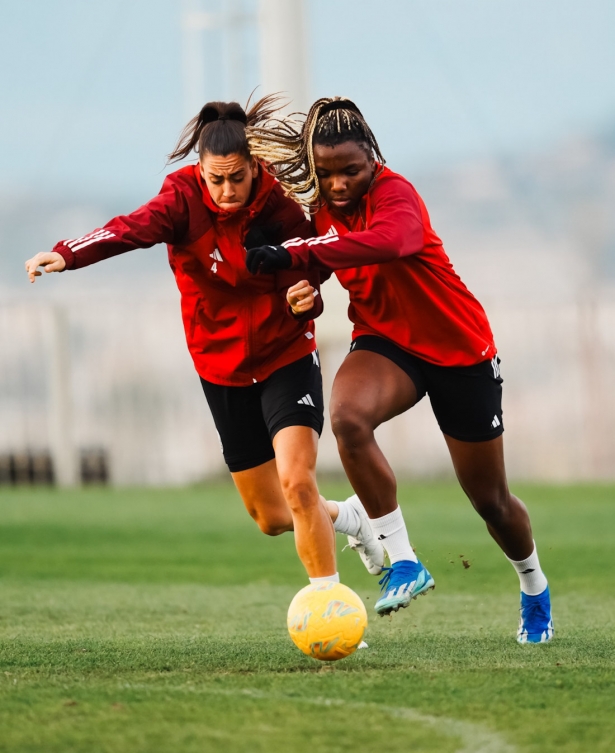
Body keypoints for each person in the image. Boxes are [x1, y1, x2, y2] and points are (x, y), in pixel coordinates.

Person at [24, 95, 384, 588]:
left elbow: (315, 264)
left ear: (256, 167)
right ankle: (350, 519)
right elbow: (127, 230)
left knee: (298, 484)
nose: (227, 189)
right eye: (216, 179)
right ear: (201, 169)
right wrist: (68, 255)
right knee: (273, 517)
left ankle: (332, 606)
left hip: (286, 356)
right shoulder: (181, 202)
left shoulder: (279, 206)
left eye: (238, 177)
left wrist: (307, 296)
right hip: (222, 368)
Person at [244, 97, 554, 643]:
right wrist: (303, 294)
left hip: (459, 350)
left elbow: (392, 243)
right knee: (346, 419)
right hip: (387, 343)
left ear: (373, 160)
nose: (338, 184)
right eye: (327, 173)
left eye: (350, 171)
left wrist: (296, 254)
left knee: (492, 502)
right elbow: (315, 279)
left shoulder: (397, 194)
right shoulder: (322, 215)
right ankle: (405, 561)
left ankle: (533, 588)